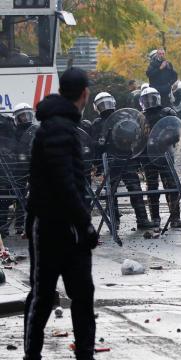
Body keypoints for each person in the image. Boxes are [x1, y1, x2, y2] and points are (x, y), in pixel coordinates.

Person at [24, 67, 99, 360]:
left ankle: (43, 355)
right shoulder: (60, 127)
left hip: (54, 224)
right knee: (52, 295)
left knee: (53, 295)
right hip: (58, 226)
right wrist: (85, 223)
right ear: (84, 93)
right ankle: (78, 354)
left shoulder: (55, 125)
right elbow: (64, 182)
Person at [90, 92, 154, 230]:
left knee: (127, 190)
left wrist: (97, 163)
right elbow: (95, 144)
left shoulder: (121, 117)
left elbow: (135, 135)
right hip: (116, 161)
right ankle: (120, 220)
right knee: (118, 192)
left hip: (121, 160)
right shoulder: (102, 122)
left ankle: (136, 219)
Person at [139, 87, 181, 228]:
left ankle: (175, 217)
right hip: (147, 156)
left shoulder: (167, 113)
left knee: (172, 185)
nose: (150, 101)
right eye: (146, 99)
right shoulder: (140, 117)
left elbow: (177, 131)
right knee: (152, 187)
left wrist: (164, 139)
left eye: (152, 98)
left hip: (165, 154)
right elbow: (137, 138)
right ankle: (155, 218)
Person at [13, 104, 35, 235]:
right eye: (22, 115)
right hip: (20, 168)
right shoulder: (14, 132)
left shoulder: (36, 129)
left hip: (34, 166)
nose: (25, 117)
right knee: (19, 196)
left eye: (27, 114)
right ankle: (19, 224)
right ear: (17, 118)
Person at [0, 113, 16, 238]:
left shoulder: (7, 121)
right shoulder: (8, 121)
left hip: (5, 170)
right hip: (6, 170)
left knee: (3, 201)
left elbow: (14, 144)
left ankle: (3, 229)